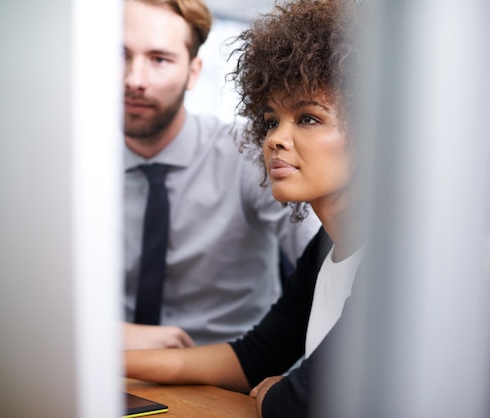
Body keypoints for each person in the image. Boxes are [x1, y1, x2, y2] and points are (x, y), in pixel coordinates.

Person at [125, 0, 366, 416]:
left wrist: (278, 392)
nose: (274, 139)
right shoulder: (326, 245)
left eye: (307, 118)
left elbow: (303, 400)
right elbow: (252, 358)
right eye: (272, 120)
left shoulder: (399, 256)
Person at [122, 0, 321, 349]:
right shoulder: (67, 166)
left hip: (231, 379)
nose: (134, 80)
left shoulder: (248, 150)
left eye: (159, 60)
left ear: (193, 72)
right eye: (119, 55)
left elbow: (326, 266)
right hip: (109, 371)